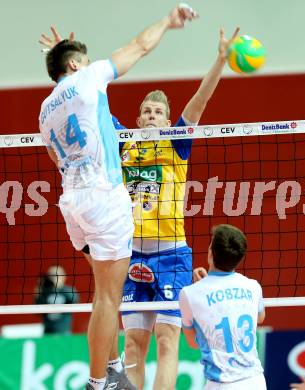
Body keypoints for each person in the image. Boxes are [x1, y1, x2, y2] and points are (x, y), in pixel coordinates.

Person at [38, 6, 198, 390]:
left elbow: (54, 158)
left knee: (102, 290)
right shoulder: (89, 78)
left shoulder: (45, 110)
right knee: (108, 298)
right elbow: (139, 46)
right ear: (77, 65)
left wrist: (60, 52)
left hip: (72, 202)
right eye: (87, 61)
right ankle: (100, 382)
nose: (94, 65)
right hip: (103, 199)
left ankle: (112, 367)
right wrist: (167, 22)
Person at [112, 27, 239, 390]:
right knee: (134, 346)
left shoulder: (176, 142)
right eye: (146, 112)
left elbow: (199, 100)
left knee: (167, 341)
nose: (152, 116)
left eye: (158, 112)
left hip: (171, 255)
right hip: (131, 254)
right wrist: (73, 72)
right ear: (137, 121)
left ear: (167, 122)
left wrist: (220, 60)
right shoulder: (123, 141)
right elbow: (94, 103)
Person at [179, 224, 267, 390]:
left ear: (211, 253)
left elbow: (192, 341)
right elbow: (260, 317)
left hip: (222, 384)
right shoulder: (253, 286)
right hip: (256, 381)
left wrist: (202, 290)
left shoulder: (190, 294)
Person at [34, 265, 79, 334]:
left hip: (64, 331)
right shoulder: (45, 292)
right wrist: (38, 291)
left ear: (63, 276)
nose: (54, 278)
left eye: (56, 275)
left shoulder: (69, 290)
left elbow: (74, 301)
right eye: (51, 275)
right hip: (48, 332)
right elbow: (37, 309)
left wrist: (59, 287)